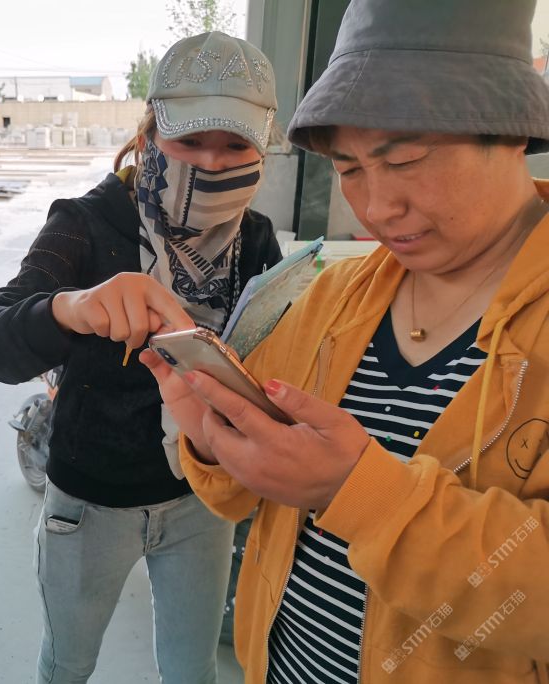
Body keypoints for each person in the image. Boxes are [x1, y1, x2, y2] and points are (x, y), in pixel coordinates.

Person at [143, 1, 549, 682]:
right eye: (350, 169)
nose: (377, 208)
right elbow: (245, 501)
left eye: (406, 159)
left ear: (510, 131)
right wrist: (216, 440)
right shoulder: (332, 297)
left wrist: (359, 493)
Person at [0, 32, 282, 684]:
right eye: (190, 140)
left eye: (235, 145)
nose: (213, 162)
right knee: (68, 663)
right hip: (89, 504)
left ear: (263, 149)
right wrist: (71, 308)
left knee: (191, 670)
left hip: (201, 496)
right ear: (149, 137)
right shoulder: (85, 223)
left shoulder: (254, 238)